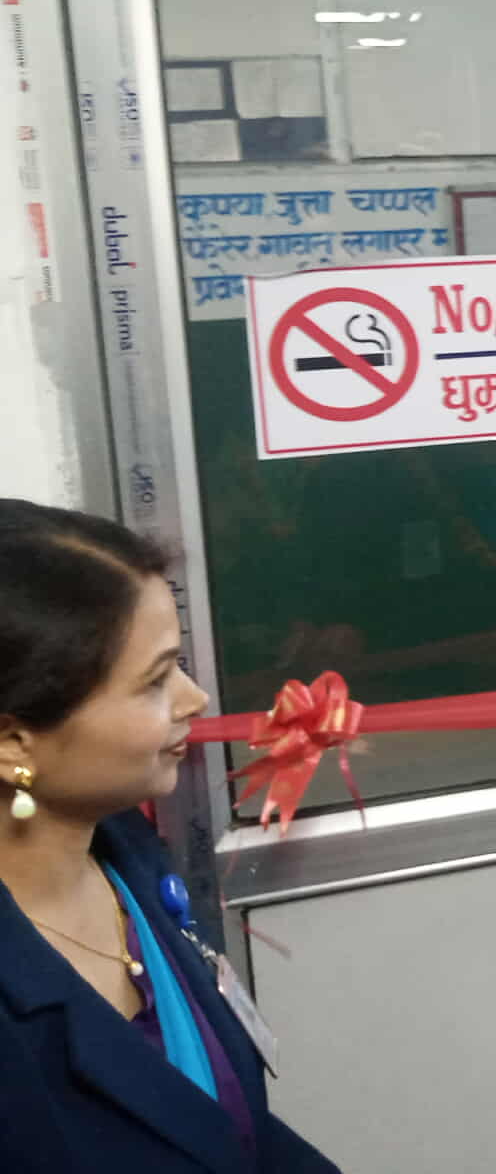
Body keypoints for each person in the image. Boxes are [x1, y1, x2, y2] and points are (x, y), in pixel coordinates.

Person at [0, 499, 340, 1173]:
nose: (195, 700)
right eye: (156, 680)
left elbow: (226, 1131)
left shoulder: (128, 857)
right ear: (13, 743)